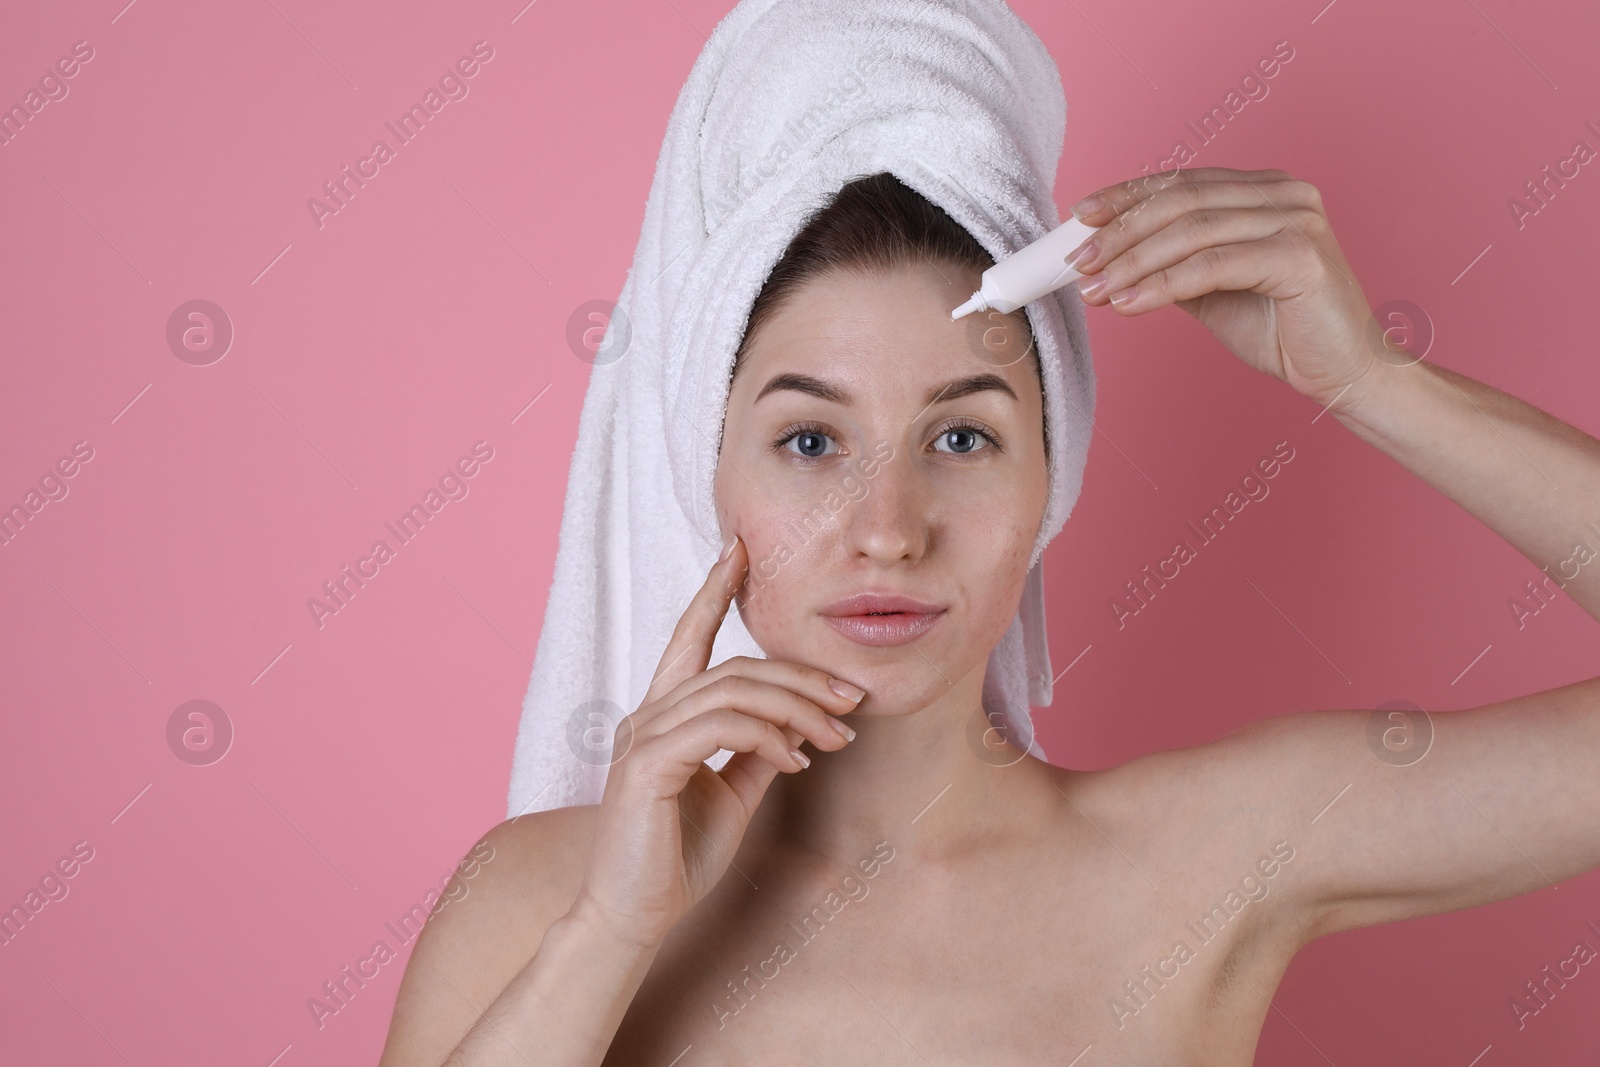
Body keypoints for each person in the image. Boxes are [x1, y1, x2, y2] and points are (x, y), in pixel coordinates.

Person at [377, 168, 1600, 1066]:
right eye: (810, 441)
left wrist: (1370, 379)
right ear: (711, 481)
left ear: (1047, 487)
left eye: (961, 437)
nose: (889, 526)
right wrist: (610, 930)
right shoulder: (542, 896)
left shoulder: (1213, 859)